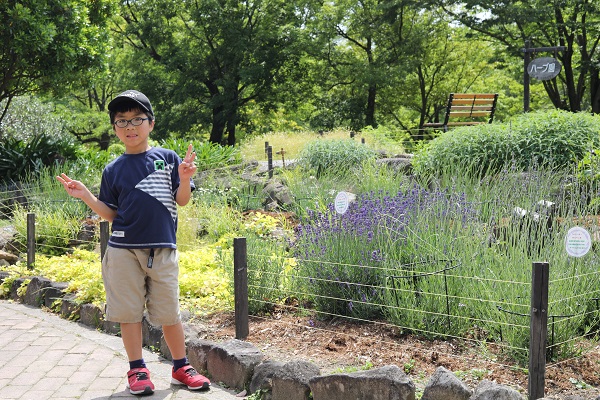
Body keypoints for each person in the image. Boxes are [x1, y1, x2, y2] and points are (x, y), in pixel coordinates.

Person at [56, 90, 210, 395]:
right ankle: (137, 369)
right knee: (128, 313)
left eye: (137, 119)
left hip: (163, 249)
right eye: (122, 121)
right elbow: (111, 214)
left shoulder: (168, 158)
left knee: (169, 313)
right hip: (123, 251)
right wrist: (87, 196)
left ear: (151, 123)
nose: (130, 126)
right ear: (115, 128)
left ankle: (181, 367)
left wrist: (183, 177)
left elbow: (182, 201)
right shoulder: (113, 169)